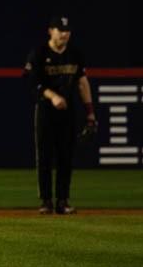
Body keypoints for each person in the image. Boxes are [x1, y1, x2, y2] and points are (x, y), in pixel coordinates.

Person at [23, 14, 97, 215]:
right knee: (45, 156)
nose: (64, 33)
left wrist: (90, 113)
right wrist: (52, 96)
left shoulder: (75, 54)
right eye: (60, 30)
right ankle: (46, 201)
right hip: (46, 110)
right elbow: (32, 83)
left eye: (67, 30)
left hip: (68, 111)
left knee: (66, 156)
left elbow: (82, 83)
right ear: (50, 31)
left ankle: (63, 200)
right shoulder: (39, 53)